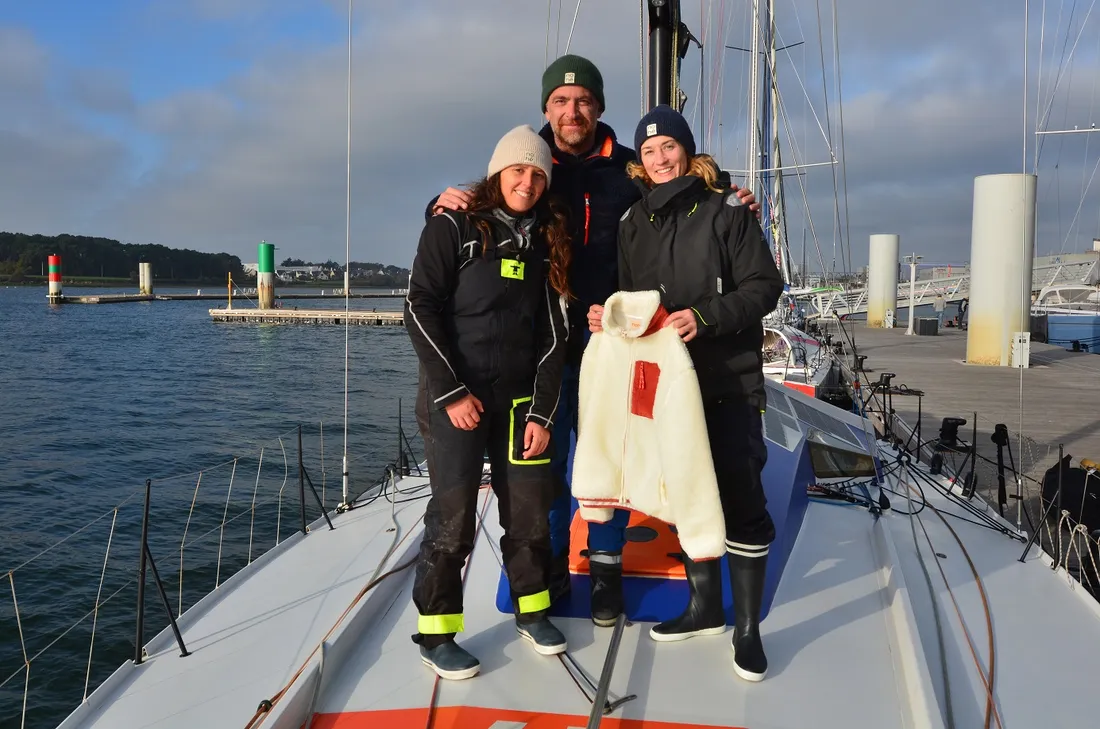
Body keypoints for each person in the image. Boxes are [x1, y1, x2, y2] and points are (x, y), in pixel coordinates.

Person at [430, 54, 760, 628]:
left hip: (616, 346)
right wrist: (439, 201)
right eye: (560, 101)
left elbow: (680, 183)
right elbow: (479, 205)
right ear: (546, 110)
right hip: (544, 352)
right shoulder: (526, 163)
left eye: (583, 99)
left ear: (600, 107)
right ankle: (551, 571)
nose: (572, 110)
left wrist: (734, 193)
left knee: (611, 458)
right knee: (547, 470)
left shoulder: (628, 168)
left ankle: (606, 572)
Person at [588, 105, 783, 682]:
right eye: (648, 152)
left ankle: (747, 630)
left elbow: (764, 287)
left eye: (668, 147)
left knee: (741, 498)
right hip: (666, 386)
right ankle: (704, 608)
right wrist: (611, 316)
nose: (659, 158)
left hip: (728, 380)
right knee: (681, 493)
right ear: (640, 164)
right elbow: (633, 302)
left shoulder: (727, 211)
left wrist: (706, 316)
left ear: (687, 151)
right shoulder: (631, 223)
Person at [404, 124, 571, 680]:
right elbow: (419, 308)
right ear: (497, 174)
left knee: (528, 513)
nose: (526, 181)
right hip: (456, 398)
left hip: (519, 405)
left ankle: (533, 611)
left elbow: (554, 337)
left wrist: (544, 413)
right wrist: (451, 392)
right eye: (517, 170)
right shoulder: (452, 227)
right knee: (452, 520)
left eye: (537, 173)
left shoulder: (544, 242)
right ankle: (436, 632)